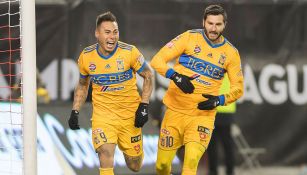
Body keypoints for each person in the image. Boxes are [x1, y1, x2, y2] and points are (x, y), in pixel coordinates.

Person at [150, 4, 244, 175]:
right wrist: (175, 76)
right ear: (203, 22)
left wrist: (219, 100)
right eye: (210, 23)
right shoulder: (188, 38)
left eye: (218, 24)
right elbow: (157, 60)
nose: (213, 28)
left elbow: (239, 88)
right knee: (162, 166)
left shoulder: (231, 53)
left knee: (191, 162)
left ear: (225, 25)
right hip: (174, 112)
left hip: (202, 117)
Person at [67, 11, 153, 175]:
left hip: (129, 115)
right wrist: (75, 110)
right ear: (97, 33)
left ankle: (134, 149)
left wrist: (144, 105)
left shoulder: (130, 52)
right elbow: (83, 84)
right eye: (107, 32)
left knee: (134, 165)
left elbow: (148, 75)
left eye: (115, 32)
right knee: (105, 152)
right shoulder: (86, 56)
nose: (112, 37)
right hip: (103, 116)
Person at [207, 74, 237, 175]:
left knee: (212, 145)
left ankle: (213, 171)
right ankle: (230, 171)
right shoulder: (233, 68)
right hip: (227, 110)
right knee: (227, 145)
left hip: (214, 110)